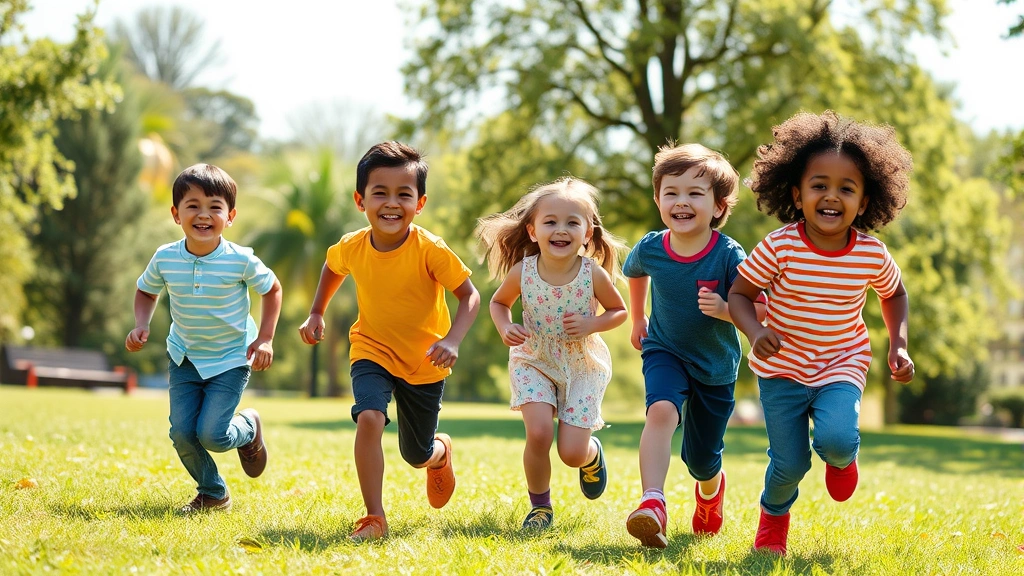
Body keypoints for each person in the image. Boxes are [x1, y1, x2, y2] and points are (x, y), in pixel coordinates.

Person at [728, 111, 915, 556]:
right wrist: (755, 331)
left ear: (865, 202)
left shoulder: (870, 254)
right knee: (788, 464)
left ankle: (841, 456)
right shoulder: (780, 246)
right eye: (819, 186)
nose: (832, 197)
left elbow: (895, 294)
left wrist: (899, 343)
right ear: (797, 193)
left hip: (841, 362)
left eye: (846, 189)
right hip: (781, 369)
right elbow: (739, 293)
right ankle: (773, 519)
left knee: (836, 438)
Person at [298, 141, 481, 542]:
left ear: (421, 202)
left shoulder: (430, 249)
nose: (391, 203)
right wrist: (316, 312)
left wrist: (452, 339)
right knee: (369, 418)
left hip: (425, 361)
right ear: (360, 199)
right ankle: (374, 517)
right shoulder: (352, 245)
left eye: (404, 194)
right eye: (380, 192)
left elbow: (470, 296)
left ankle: (439, 453)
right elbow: (332, 267)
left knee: (415, 454)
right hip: (371, 349)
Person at [622, 143, 766, 548]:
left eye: (694, 194)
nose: (681, 202)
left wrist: (725, 310)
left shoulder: (728, 254)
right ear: (658, 199)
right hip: (664, 348)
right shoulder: (652, 247)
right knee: (661, 411)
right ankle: (653, 503)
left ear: (719, 206)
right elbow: (635, 271)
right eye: (671, 193)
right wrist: (637, 318)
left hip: (715, 366)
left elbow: (761, 307)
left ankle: (709, 490)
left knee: (701, 460)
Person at [126, 164, 282, 514]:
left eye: (215, 206)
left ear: (230, 216)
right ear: (175, 214)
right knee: (182, 433)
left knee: (213, 435)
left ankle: (248, 426)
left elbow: (272, 289)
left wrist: (266, 339)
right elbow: (145, 290)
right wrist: (141, 324)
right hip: (184, 357)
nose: (203, 214)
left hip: (231, 358)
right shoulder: (166, 257)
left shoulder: (240, 259)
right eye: (192, 205)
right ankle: (213, 493)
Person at [476, 177, 628, 530]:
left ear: (588, 233)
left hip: (582, 363)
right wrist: (505, 327)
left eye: (573, 222)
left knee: (571, 453)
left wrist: (592, 324)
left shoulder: (593, 274)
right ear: (532, 231)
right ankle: (540, 507)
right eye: (551, 221)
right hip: (534, 359)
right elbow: (498, 303)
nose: (561, 229)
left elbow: (618, 312)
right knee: (540, 433)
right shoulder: (523, 272)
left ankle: (591, 455)